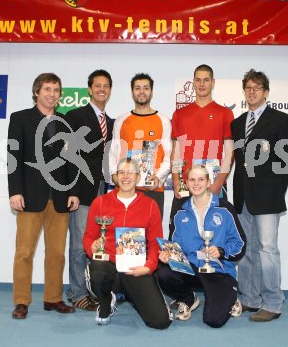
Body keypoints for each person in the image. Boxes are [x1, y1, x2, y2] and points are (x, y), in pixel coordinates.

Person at [8, 73, 79, 319]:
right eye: (47, 89)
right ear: (37, 92)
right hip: (29, 197)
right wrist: (14, 191)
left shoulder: (65, 122)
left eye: (56, 90)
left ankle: (53, 298)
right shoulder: (19, 119)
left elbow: (71, 160)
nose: (52, 94)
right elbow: (12, 157)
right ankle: (21, 302)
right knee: (25, 252)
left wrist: (73, 191)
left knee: (57, 253)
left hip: (59, 198)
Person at [231, 69, 288, 322]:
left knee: (268, 250)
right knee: (248, 249)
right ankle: (249, 298)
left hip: (268, 196)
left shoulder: (280, 119)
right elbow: (239, 162)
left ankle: (272, 302)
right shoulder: (237, 123)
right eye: (248, 87)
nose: (252, 91)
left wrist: (276, 191)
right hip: (244, 197)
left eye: (257, 87)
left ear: (266, 92)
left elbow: (286, 160)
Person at [83, 158, 172, 329]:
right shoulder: (100, 202)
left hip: (136, 269)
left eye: (130, 172)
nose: (125, 176)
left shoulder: (150, 205)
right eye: (121, 172)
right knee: (96, 274)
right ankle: (106, 302)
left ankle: (126, 294)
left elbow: (154, 243)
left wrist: (149, 267)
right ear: (115, 177)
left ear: (137, 177)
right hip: (108, 264)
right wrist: (91, 247)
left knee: (160, 322)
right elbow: (88, 237)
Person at [157, 164, 245, 328]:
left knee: (213, 320)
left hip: (219, 271)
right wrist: (169, 256)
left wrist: (221, 251)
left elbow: (240, 244)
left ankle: (231, 298)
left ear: (208, 182)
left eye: (200, 179)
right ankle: (188, 300)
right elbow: (177, 246)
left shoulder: (225, 208)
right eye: (192, 180)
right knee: (163, 273)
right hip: (193, 270)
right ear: (187, 183)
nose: (196, 184)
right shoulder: (181, 213)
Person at [65, 69, 114, 311]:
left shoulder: (112, 122)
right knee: (79, 243)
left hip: (104, 191)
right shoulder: (75, 116)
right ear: (89, 89)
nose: (101, 89)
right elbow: (70, 156)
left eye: (106, 86)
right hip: (82, 190)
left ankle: (93, 289)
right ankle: (76, 293)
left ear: (110, 90)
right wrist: (72, 190)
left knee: (98, 243)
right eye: (97, 85)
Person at [169, 64, 234, 239]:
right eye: (198, 80)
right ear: (193, 82)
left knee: (216, 238)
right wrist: (176, 179)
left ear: (213, 83)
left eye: (206, 80)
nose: (202, 84)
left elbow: (229, 153)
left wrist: (219, 182)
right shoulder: (180, 114)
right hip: (185, 185)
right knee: (178, 238)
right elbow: (176, 151)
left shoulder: (225, 113)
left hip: (213, 184)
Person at [109, 73, 171, 217]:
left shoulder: (163, 120)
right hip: (126, 188)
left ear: (151, 91)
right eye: (137, 88)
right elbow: (113, 151)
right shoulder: (121, 120)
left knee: (151, 235)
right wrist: (113, 174)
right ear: (132, 92)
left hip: (152, 189)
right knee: (126, 236)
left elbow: (169, 155)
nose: (142, 92)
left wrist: (159, 177)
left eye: (146, 88)